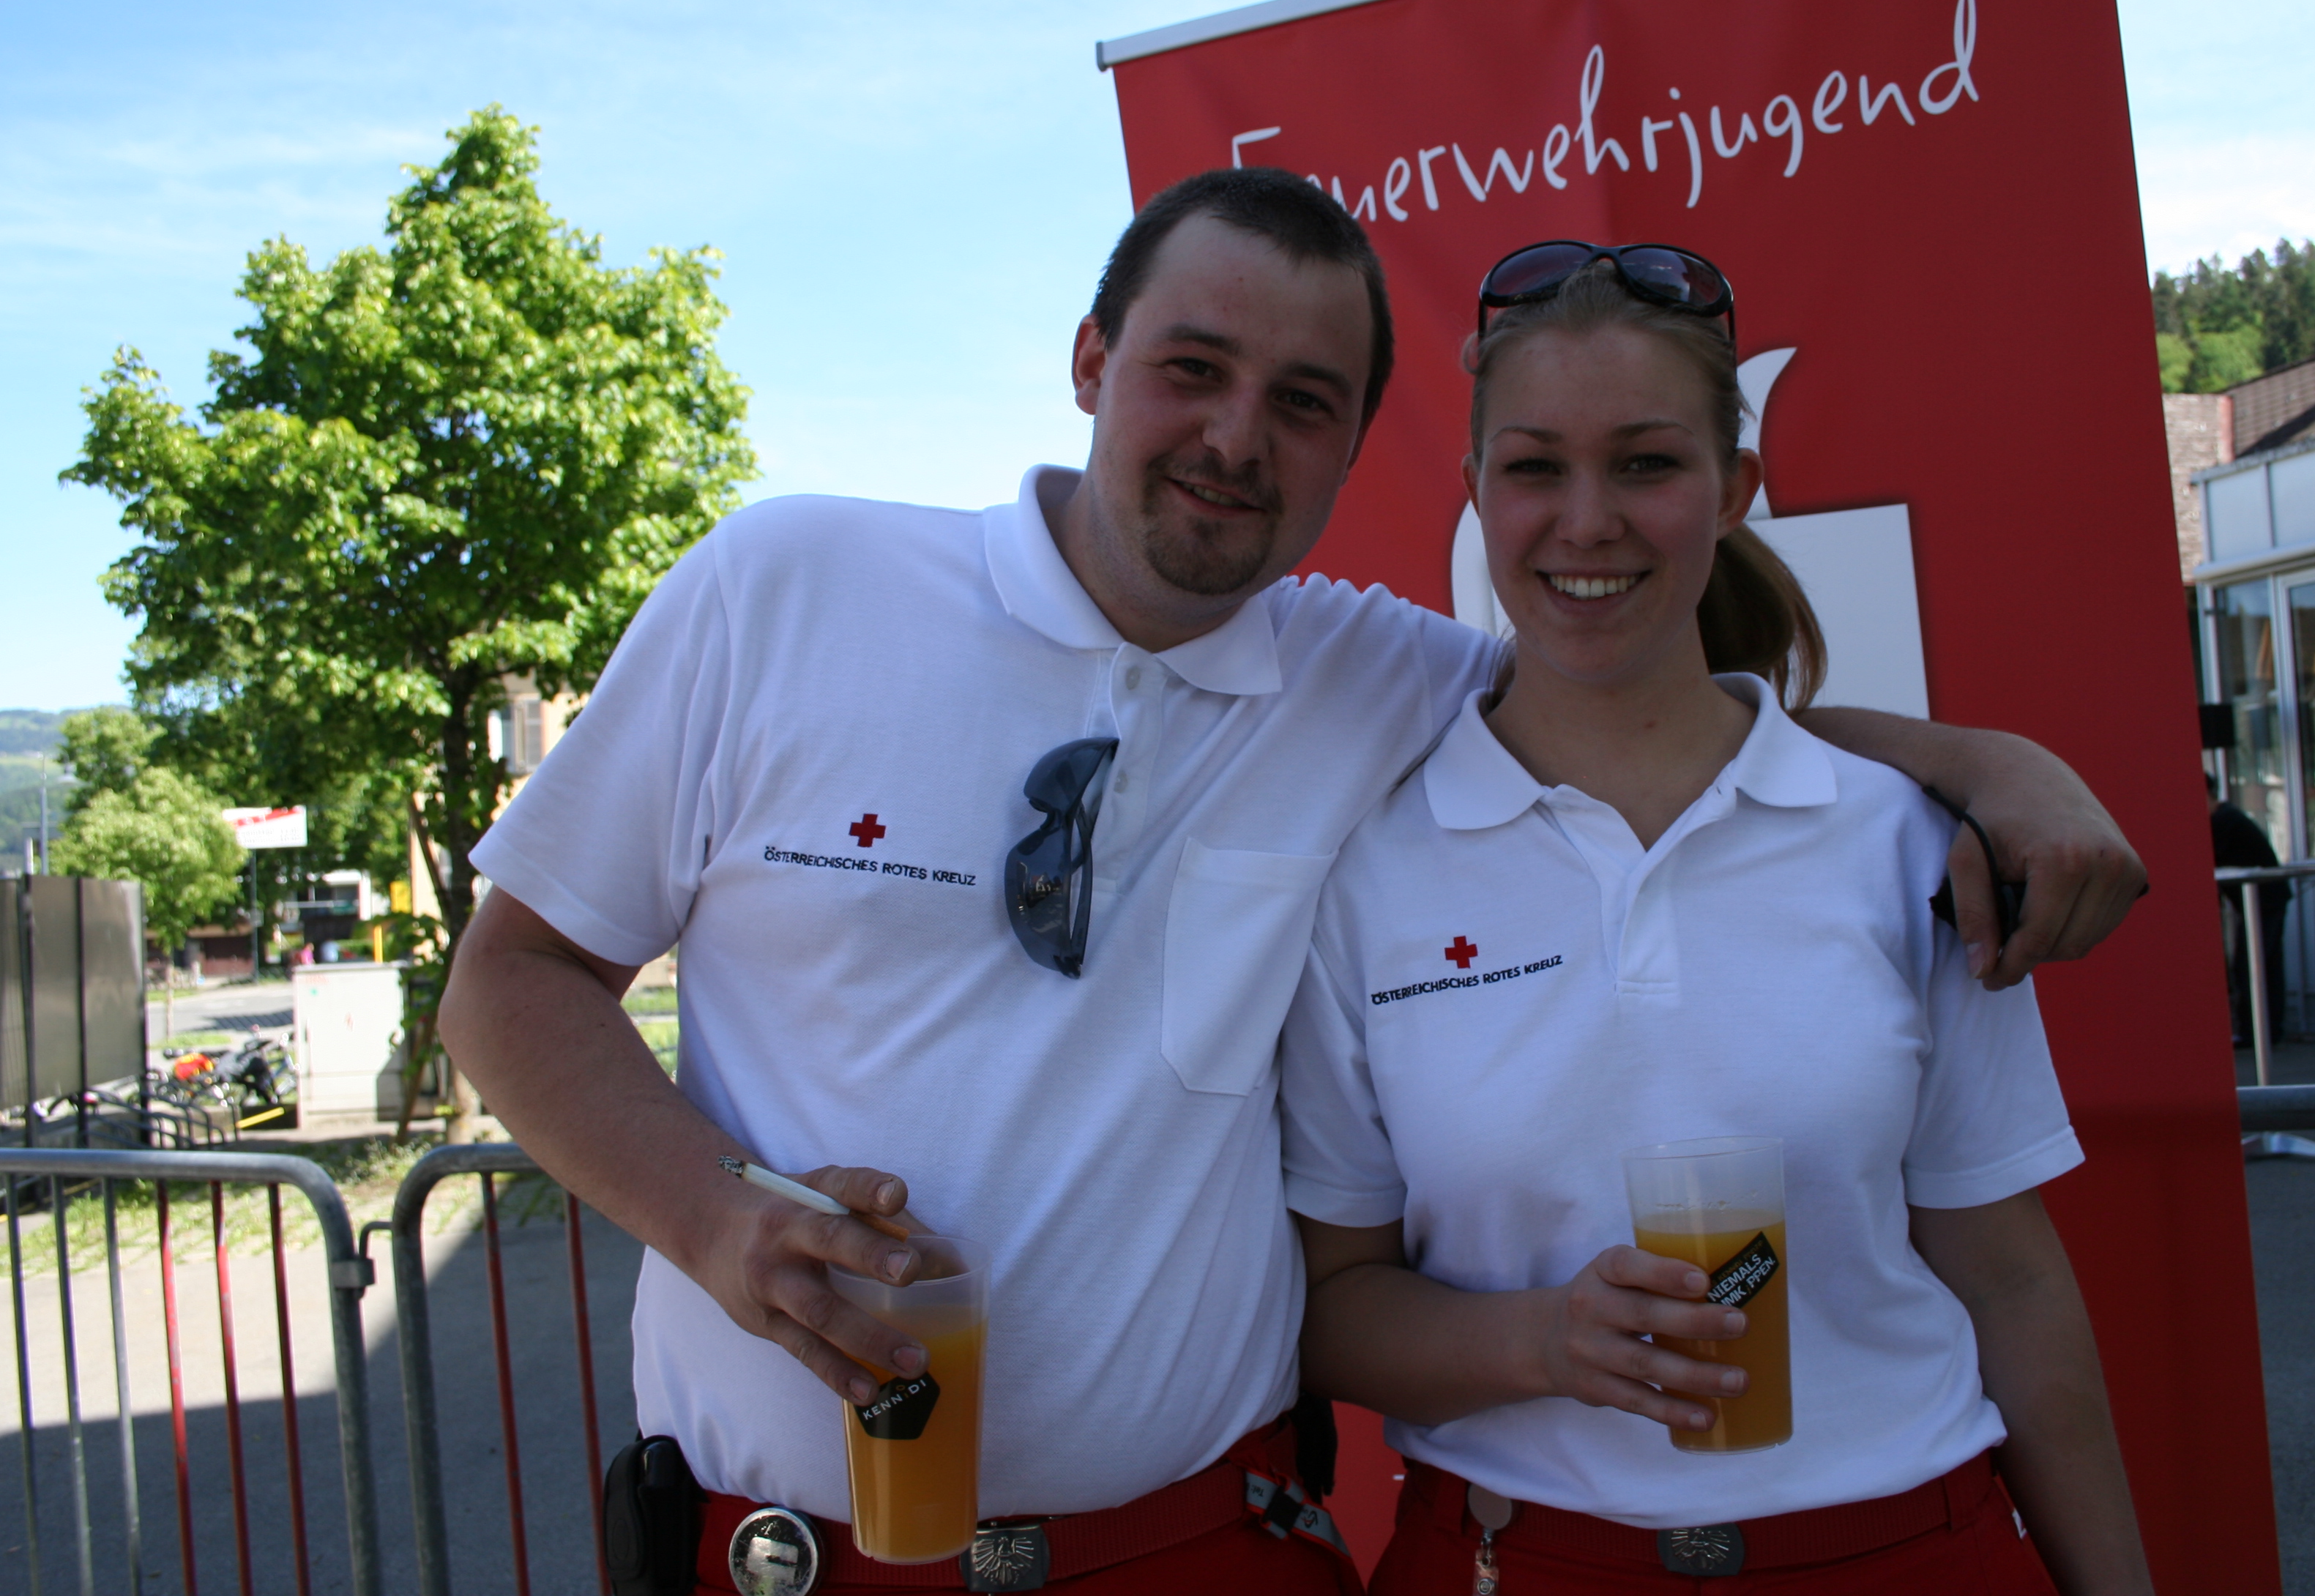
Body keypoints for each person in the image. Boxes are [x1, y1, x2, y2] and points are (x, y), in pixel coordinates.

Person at [437, 173, 2150, 1594]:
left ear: (1354, 450)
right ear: (1092, 359)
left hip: (1204, 1549)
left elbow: (1644, 704)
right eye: (1191, 368)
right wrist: (717, 1216)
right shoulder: (790, 585)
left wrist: (1978, 764)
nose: (1234, 437)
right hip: (803, 1553)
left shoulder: (1365, 677)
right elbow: (510, 985)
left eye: (1303, 403)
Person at [1282, 246, 2152, 1594]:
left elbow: (2010, 1278)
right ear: (1476, 492)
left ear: (1736, 490)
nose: (1587, 521)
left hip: (1905, 1550)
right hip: (1521, 1559)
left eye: (1646, 463)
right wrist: (1545, 1341)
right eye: (1534, 467)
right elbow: (1331, 1304)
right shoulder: (1367, 872)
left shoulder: (1901, 839)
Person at [2209, 774, 2289, 1048]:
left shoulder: (2224, 821)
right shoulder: (2229, 818)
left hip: (2263, 901)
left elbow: (2209, 856)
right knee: (2264, 966)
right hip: (2265, 899)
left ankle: (2256, 1032)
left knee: (2252, 966)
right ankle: (2267, 1031)